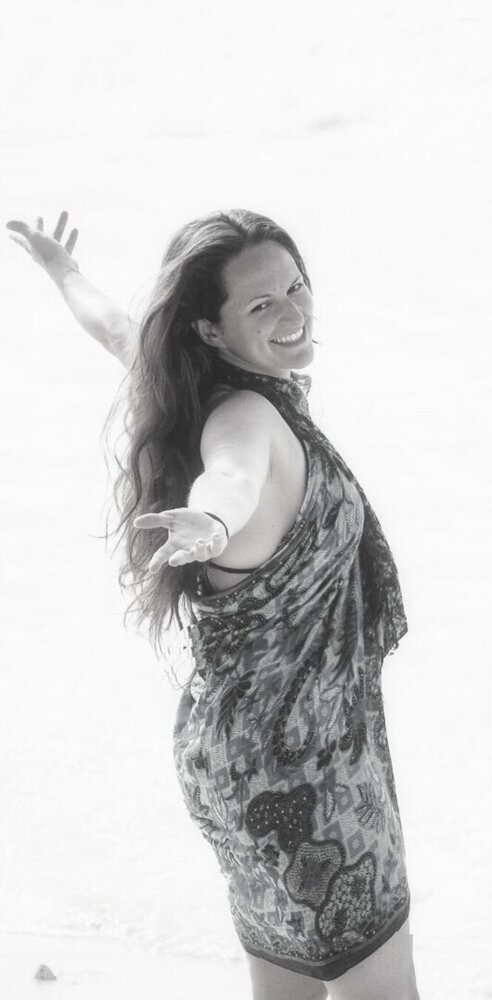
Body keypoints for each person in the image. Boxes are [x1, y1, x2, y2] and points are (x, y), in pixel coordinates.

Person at [6, 210, 421, 1000]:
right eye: (262, 305)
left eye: (296, 287)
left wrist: (63, 273)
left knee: (288, 987)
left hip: (234, 756)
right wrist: (212, 520)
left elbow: (116, 332)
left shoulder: (193, 385)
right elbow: (231, 475)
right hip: (307, 767)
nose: (294, 311)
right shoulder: (246, 418)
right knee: (384, 988)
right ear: (212, 329)